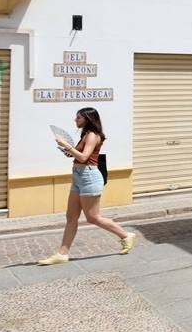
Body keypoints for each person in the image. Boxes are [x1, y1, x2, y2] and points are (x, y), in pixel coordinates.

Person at [37, 107, 136, 265]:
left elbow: (84, 157)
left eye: (79, 118)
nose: (75, 120)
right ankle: (62, 254)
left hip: (89, 177)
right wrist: (68, 151)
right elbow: (78, 156)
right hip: (78, 176)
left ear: (88, 119)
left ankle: (125, 235)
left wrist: (67, 145)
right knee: (71, 217)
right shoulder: (85, 135)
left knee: (93, 217)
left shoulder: (92, 135)